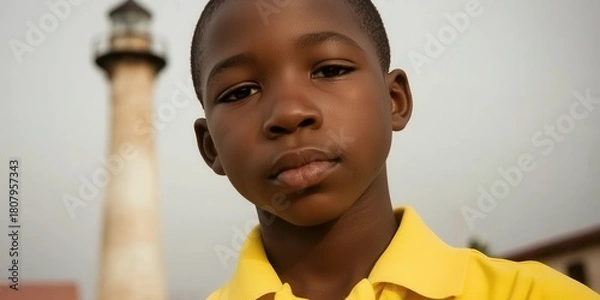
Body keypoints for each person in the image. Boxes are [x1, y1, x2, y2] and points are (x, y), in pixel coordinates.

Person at [189, 0, 600, 299]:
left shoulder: (532, 294)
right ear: (211, 148)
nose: (290, 113)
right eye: (240, 91)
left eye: (330, 70)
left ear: (394, 101)